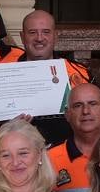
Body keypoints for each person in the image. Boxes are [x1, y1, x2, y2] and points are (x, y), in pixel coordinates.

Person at [18, 10, 92, 146]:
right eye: (32, 32)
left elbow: (94, 117)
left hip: (68, 154)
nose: (39, 38)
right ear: (22, 37)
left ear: (55, 36)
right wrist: (8, 125)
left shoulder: (79, 73)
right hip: (20, 155)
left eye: (46, 32)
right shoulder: (3, 76)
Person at [48, 83, 100, 192]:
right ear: (67, 114)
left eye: (93, 104)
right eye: (78, 105)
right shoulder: (47, 160)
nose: (86, 111)